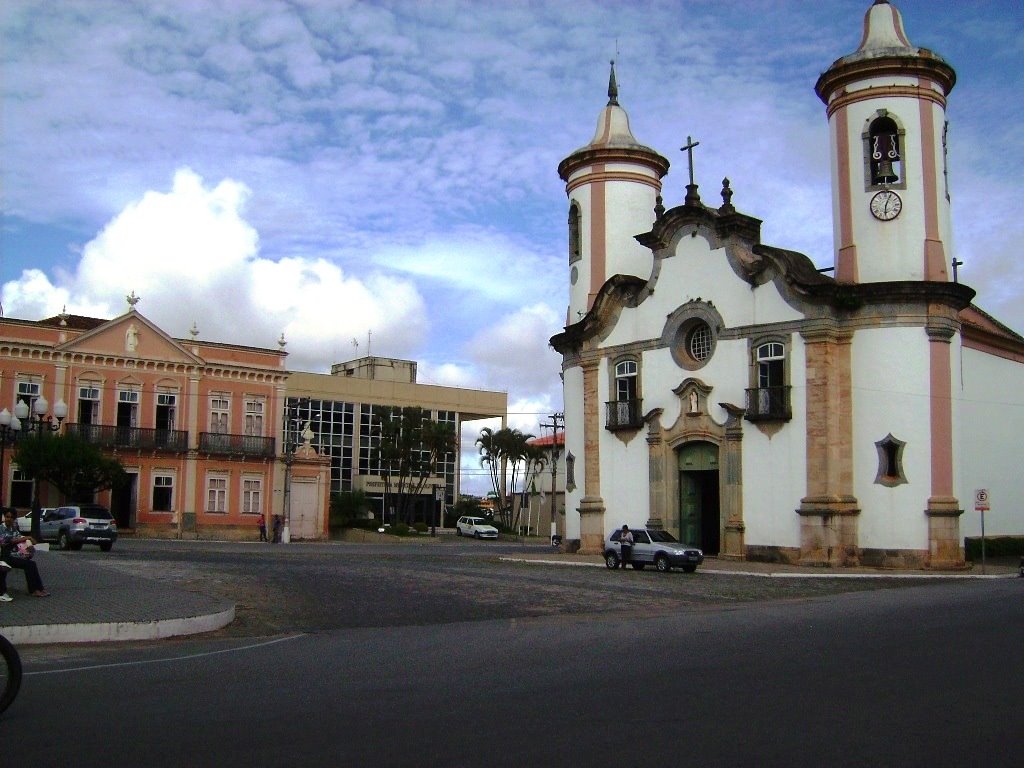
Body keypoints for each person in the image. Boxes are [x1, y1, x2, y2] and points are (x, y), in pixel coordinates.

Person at [0, 509, 49, 597]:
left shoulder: (13, 528)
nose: (9, 519)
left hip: (13, 554)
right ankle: (34, 590)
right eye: (7, 517)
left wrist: (29, 541)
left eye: (11, 517)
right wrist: (28, 537)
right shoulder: (1, 528)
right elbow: (8, 541)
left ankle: (39, 588)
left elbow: (20, 537)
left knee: (31, 564)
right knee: (29, 565)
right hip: (4, 556)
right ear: (4, 517)